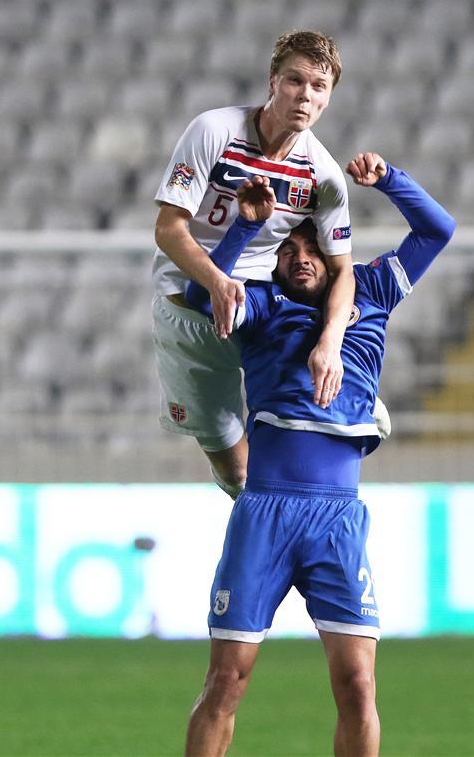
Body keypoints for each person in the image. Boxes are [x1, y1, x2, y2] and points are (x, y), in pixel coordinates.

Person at [182, 152, 456, 757]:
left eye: (311, 248)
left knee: (358, 686)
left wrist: (389, 180)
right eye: (287, 250)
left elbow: (438, 230)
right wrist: (247, 227)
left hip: (337, 517)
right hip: (265, 511)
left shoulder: (373, 290)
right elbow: (202, 298)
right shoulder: (262, 306)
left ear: (334, 253)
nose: (300, 258)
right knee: (226, 681)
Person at [152, 30, 358, 499]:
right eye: (295, 80)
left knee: (302, 428)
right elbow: (167, 229)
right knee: (239, 476)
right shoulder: (213, 131)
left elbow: (344, 269)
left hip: (262, 304)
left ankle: (361, 398)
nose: (305, 95)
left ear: (328, 97)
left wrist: (331, 343)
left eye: (319, 86)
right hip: (189, 310)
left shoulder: (323, 174)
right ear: (272, 81)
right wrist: (215, 280)